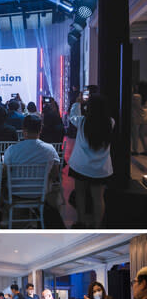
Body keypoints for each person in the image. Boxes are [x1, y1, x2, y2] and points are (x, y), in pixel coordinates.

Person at [68, 94, 114, 228]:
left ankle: (81, 222)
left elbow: (72, 117)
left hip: (81, 167)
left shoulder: (82, 122)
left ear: (89, 107)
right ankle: (97, 226)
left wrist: (77, 104)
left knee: (80, 195)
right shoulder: (110, 122)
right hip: (101, 170)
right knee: (98, 199)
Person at [131, 82, 147, 155]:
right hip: (144, 117)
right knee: (142, 135)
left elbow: (132, 104)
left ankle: (135, 150)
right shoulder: (145, 96)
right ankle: (145, 149)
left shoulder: (136, 96)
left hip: (136, 117)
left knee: (135, 135)